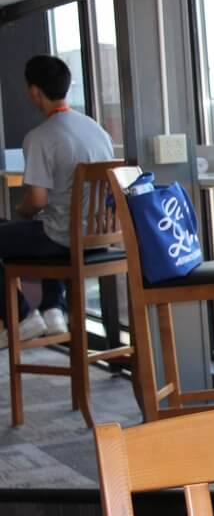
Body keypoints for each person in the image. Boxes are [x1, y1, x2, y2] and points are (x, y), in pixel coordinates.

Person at [0, 55, 114, 348]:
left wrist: (21, 211)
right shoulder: (95, 129)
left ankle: (24, 317)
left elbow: (36, 199)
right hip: (99, 236)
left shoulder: (40, 136)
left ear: (34, 91)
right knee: (45, 221)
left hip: (63, 238)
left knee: (36, 223)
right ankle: (53, 310)